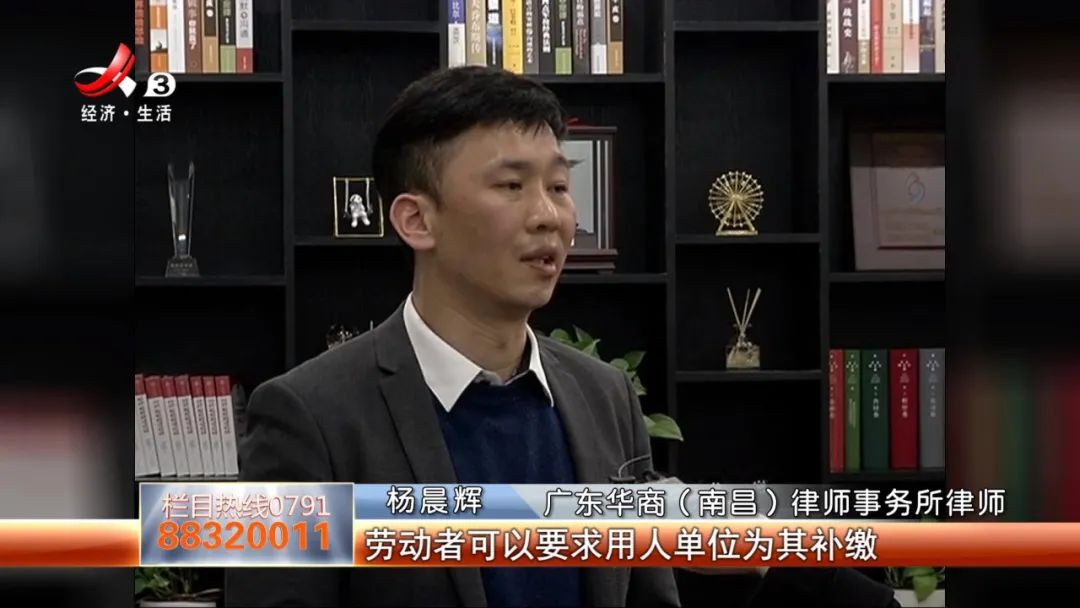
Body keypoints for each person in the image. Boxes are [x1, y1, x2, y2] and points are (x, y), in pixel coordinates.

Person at [225, 65, 679, 607]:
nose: (549, 216)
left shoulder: (606, 396)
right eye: (511, 186)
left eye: (559, 186)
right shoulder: (310, 419)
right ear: (417, 220)